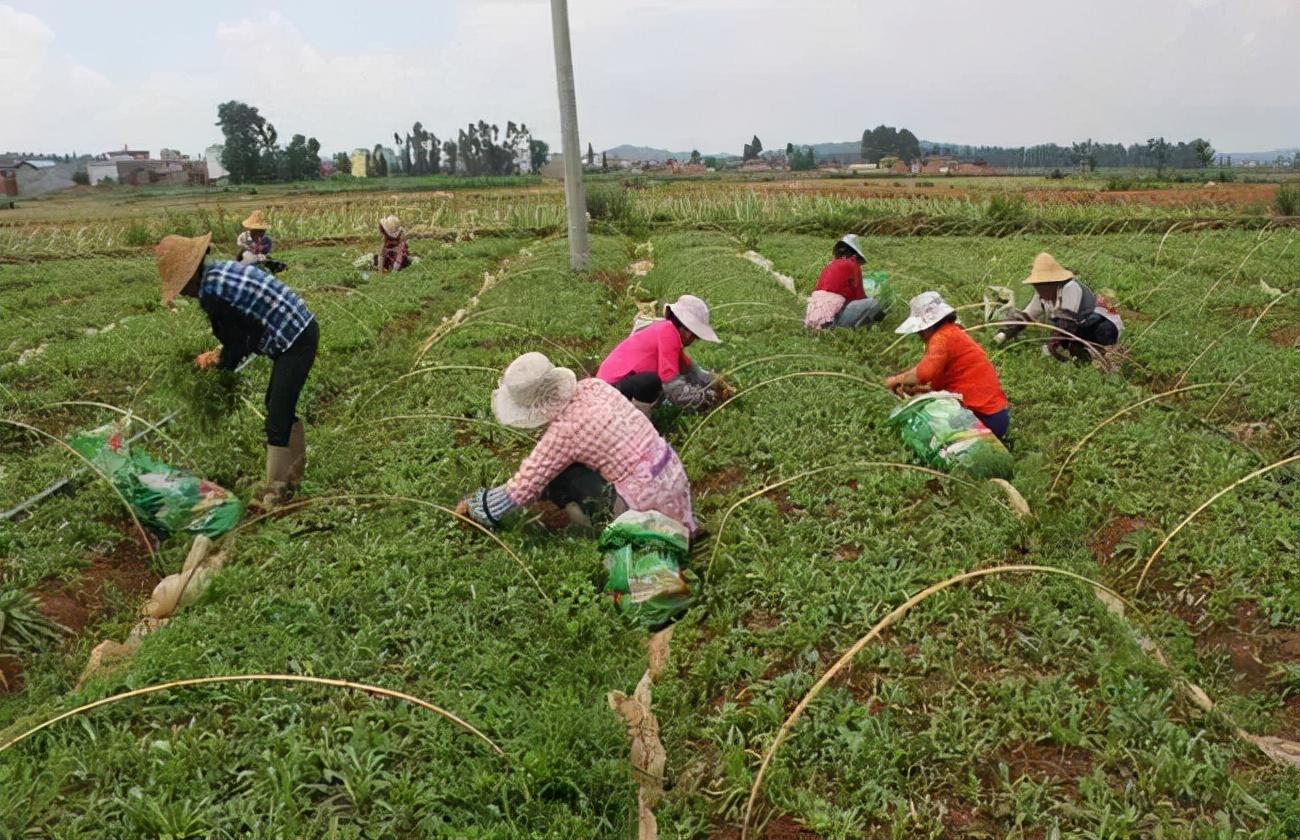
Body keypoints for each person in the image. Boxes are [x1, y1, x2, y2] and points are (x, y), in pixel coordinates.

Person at [155, 232, 318, 509]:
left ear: (193, 275)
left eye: (182, 286)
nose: (183, 293)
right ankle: (292, 477)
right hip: (297, 331)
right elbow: (242, 332)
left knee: (277, 414)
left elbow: (241, 340)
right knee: (277, 404)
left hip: (296, 337)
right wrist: (222, 355)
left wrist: (222, 371)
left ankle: (275, 491)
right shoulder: (216, 274)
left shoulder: (213, 295)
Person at [457, 353, 696, 533]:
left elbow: (522, 488)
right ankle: (679, 522)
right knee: (572, 466)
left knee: (559, 478)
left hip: (645, 506)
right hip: (673, 481)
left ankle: (609, 524)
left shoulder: (564, 432)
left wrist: (476, 508)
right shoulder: (595, 386)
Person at [885, 291, 1011, 440]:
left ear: (927, 326)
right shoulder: (952, 334)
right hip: (995, 416)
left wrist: (895, 380)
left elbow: (924, 373)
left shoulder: (941, 338)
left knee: (924, 428)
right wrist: (919, 390)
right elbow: (947, 382)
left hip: (983, 418)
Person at [596, 294, 724, 413]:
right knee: (653, 383)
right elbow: (673, 387)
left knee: (659, 386)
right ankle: (635, 425)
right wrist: (707, 400)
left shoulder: (665, 330)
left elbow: (691, 370)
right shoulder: (668, 333)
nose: (694, 340)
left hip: (610, 387)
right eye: (695, 336)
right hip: (609, 392)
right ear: (688, 332)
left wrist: (715, 382)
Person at [995, 252, 1123, 361]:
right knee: (1069, 348)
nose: (1038, 288)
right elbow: (1027, 315)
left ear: (1052, 282)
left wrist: (1052, 346)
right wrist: (1005, 332)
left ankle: (1100, 352)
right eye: (1036, 285)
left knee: (1075, 343)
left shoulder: (1070, 288)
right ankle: (1084, 353)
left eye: (1041, 284)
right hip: (1079, 327)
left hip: (1103, 325)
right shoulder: (1042, 295)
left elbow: (1066, 324)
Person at [804, 233, 886, 329]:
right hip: (832, 320)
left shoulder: (830, 265)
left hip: (813, 316)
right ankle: (849, 330)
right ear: (855, 255)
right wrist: (879, 312)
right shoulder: (853, 264)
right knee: (873, 303)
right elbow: (859, 296)